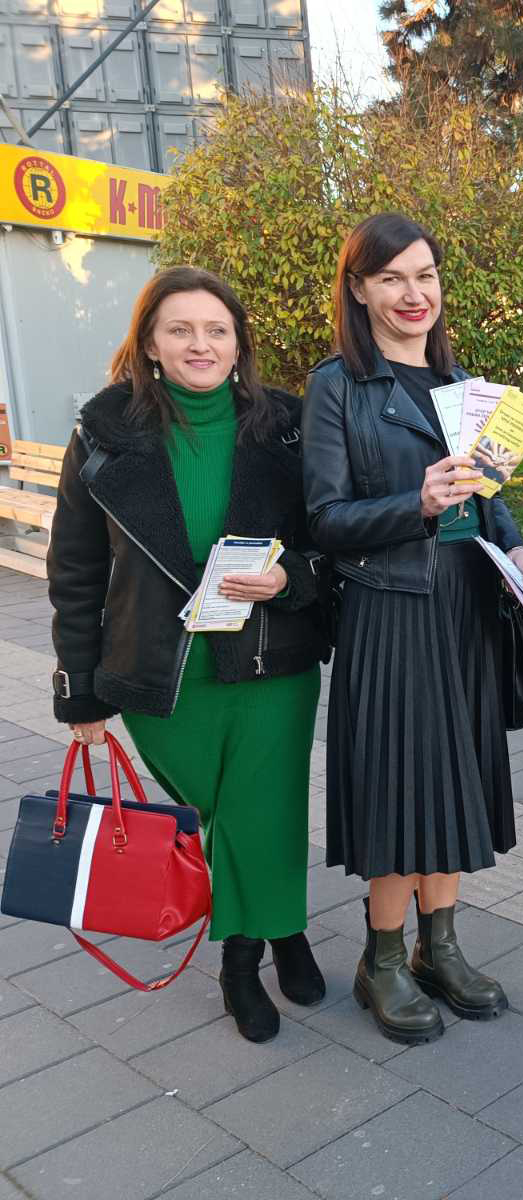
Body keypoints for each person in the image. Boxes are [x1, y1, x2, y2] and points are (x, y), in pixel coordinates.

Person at [48, 266, 327, 1043]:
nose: (200, 344)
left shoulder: (289, 428)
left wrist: (291, 577)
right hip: (158, 674)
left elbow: (329, 541)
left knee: (262, 808)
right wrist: (80, 692)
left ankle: (244, 961)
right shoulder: (102, 435)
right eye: (181, 329)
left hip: (271, 665)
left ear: (239, 345)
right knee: (225, 812)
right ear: (150, 345)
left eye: (216, 330)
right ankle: (283, 930)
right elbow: (74, 571)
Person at [303, 214, 523, 1043]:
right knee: (401, 785)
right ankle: (384, 961)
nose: (414, 294)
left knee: (456, 777)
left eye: (426, 275)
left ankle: (441, 946)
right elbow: (326, 519)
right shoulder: (336, 386)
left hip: (466, 607)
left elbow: (493, 494)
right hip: (389, 609)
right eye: (394, 277)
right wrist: (418, 503)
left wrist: (518, 552)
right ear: (358, 287)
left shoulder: (462, 383)